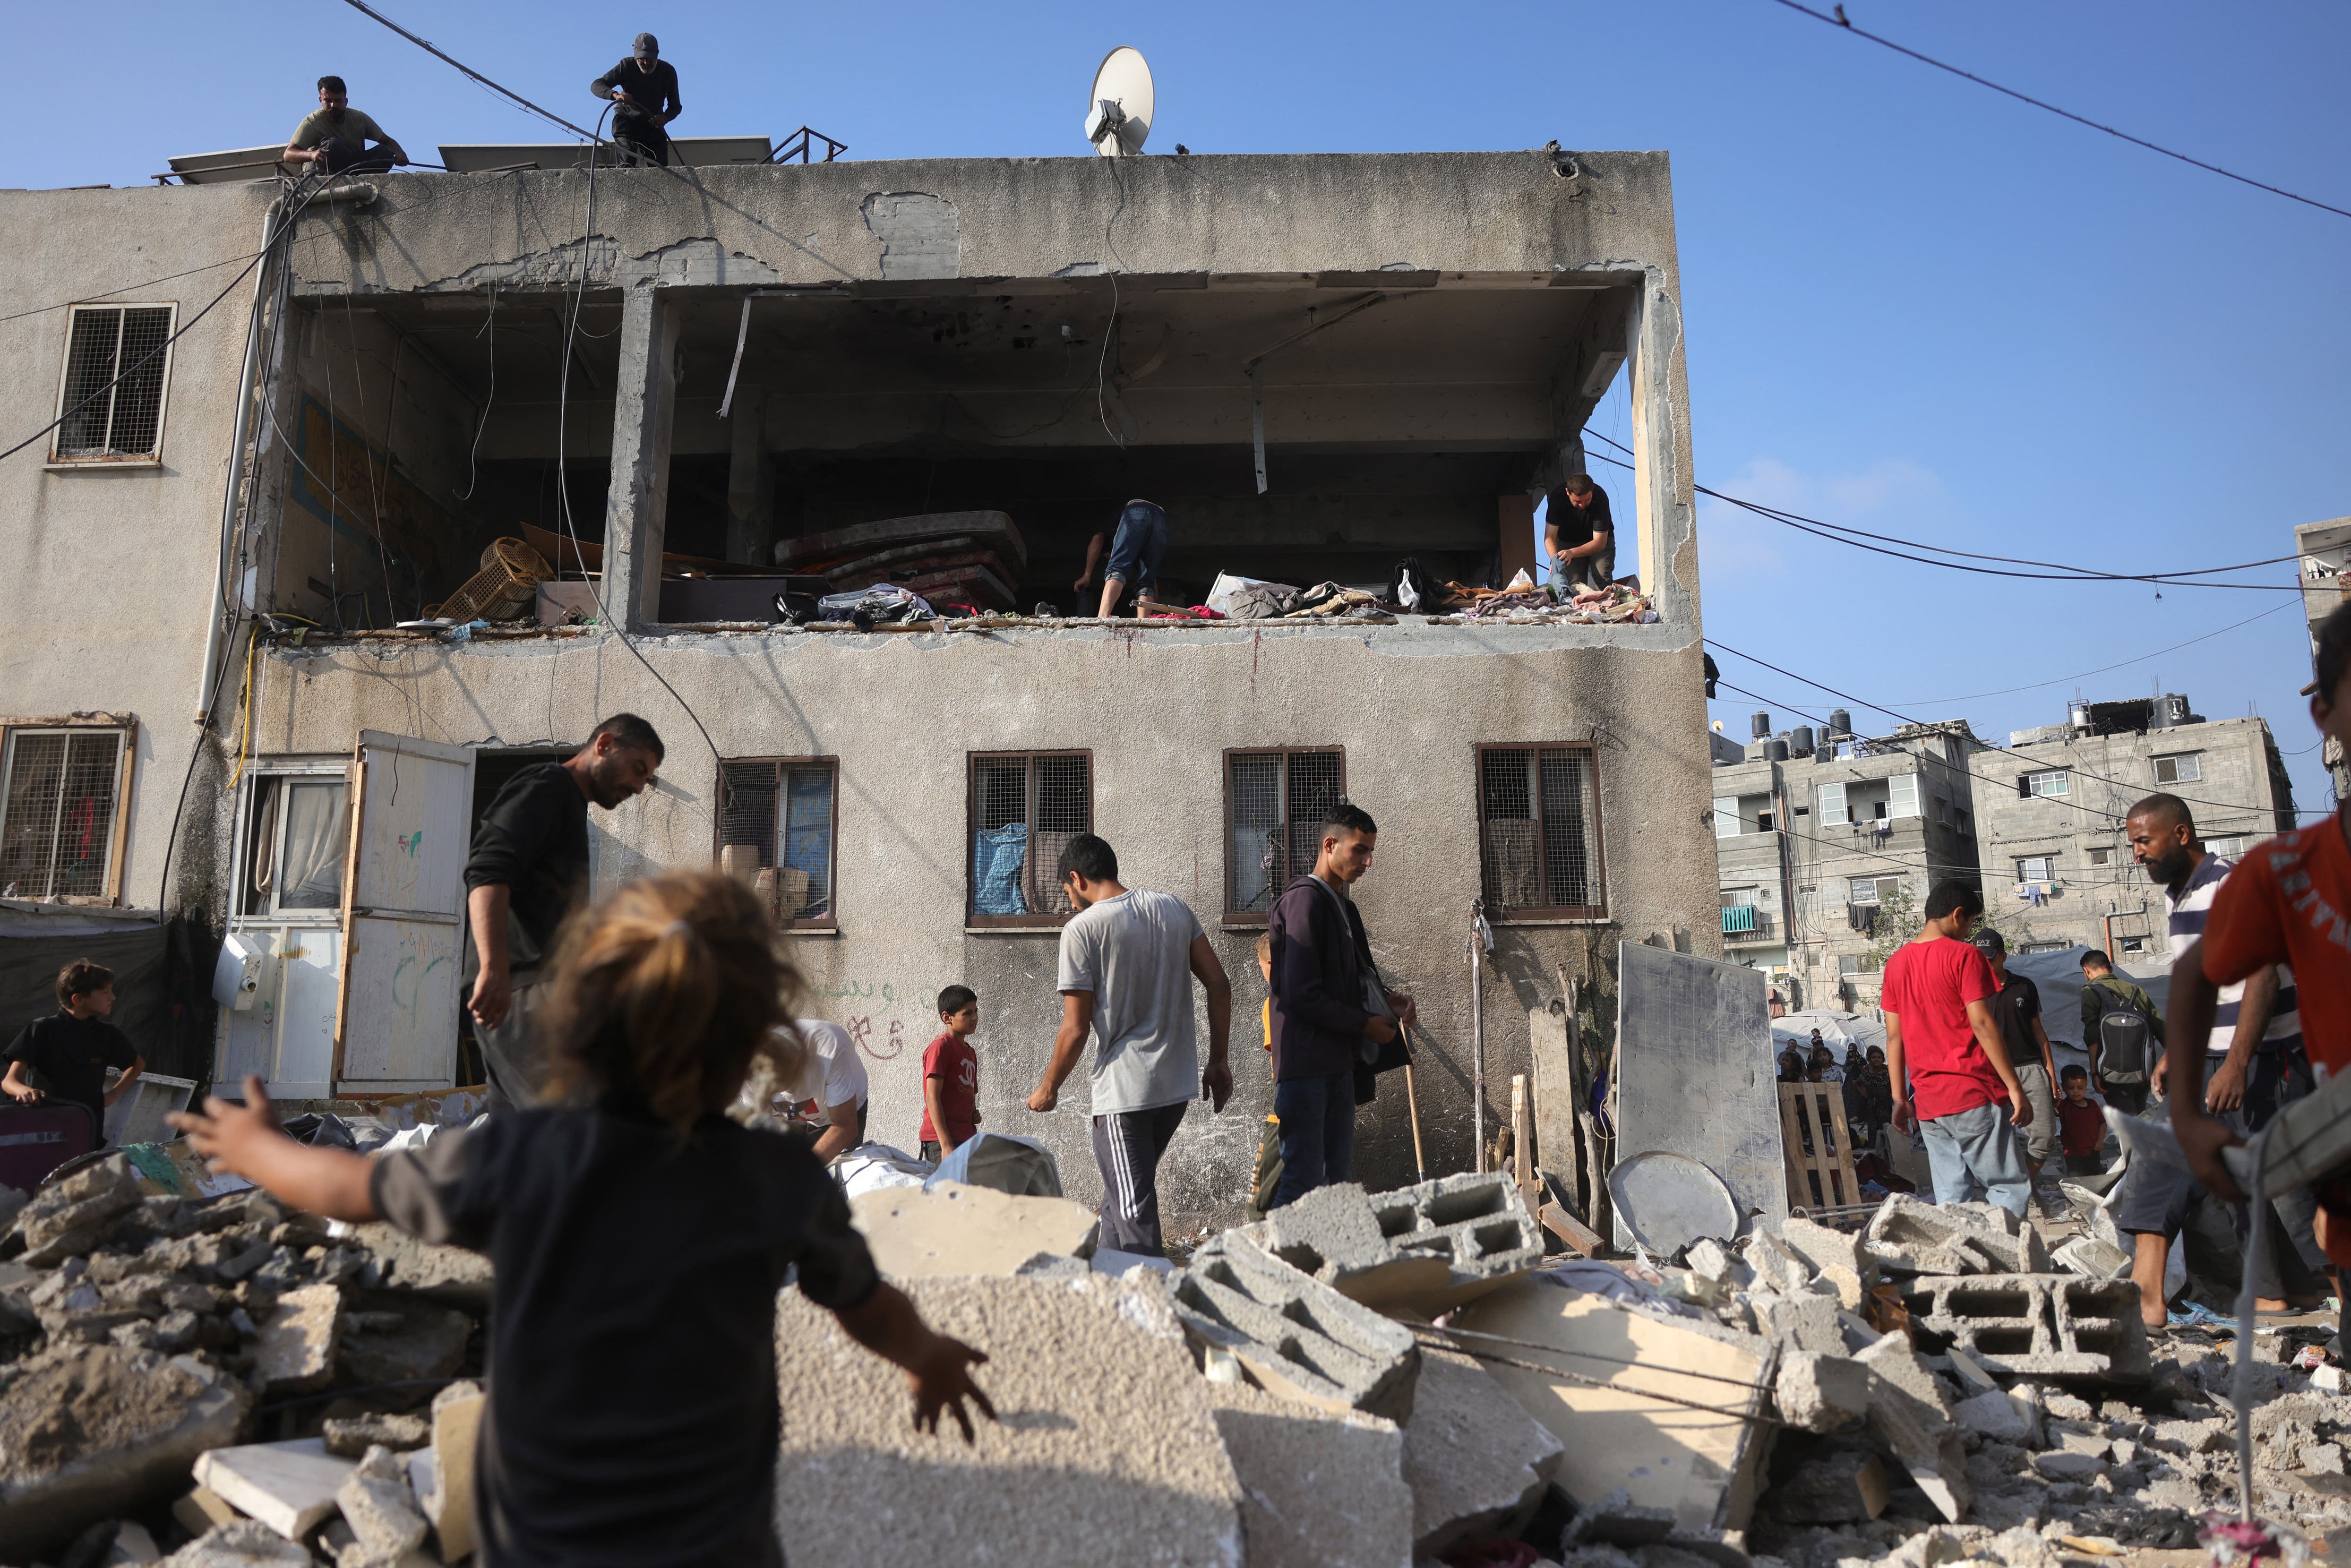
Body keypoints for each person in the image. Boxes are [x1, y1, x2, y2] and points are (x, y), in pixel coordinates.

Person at [169, 870, 994, 1564]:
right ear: (752, 1041)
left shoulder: (520, 1156)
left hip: (542, 1535)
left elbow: (346, 1185)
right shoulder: (776, 1178)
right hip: (712, 1539)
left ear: (579, 1017)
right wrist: (928, 1356)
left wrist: (253, 1146)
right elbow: (865, 1303)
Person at [2162, 604, 2351, 1302]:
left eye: (2146, 840)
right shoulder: (2287, 872)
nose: (2140, 851)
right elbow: (2195, 975)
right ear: (2325, 715)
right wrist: (2186, 1107)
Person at [2131, 791, 2327, 1312]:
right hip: (2218, 1055)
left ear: (2181, 835)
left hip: (2265, 1056)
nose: (2137, 854)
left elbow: (2261, 977)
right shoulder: (2178, 895)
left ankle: (2156, 1291)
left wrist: (2237, 1063)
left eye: (2143, 841)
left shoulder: (2229, 885)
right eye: (2131, 844)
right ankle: (2282, 1294)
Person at [1028, 834, 1232, 1257]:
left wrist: (1048, 1088)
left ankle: (1154, 1311)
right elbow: (1219, 982)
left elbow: (1075, 1028)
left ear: (1076, 878)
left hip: (1125, 1095)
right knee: (1117, 1200)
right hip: (1173, 1089)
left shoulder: (1082, 930)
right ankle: (1107, 1295)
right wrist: (1218, 1060)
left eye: (1068, 893)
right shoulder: (1174, 908)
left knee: (1134, 1213)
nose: (1069, 904)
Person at [465, 715, 664, 1113]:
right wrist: (494, 967)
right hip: (524, 993)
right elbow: (487, 871)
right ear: (604, 744)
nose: (639, 786)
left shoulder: (569, 805)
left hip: (536, 993)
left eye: (647, 779)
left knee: (518, 1140)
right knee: (571, 1133)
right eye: (638, 769)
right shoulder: (547, 787)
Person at [1266, 803, 1416, 1210]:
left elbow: (1345, 981)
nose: (1368, 861)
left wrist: (1388, 1001)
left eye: (1371, 851)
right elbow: (1299, 993)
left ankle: (1325, 1271)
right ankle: (1274, 1268)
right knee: (1302, 1184)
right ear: (1330, 845)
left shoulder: (1343, 907)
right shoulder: (1303, 902)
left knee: (1335, 1186)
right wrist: (1365, 1023)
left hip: (1338, 1065)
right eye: (1359, 850)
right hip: (1306, 1068)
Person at [1883, 880, 2034, 1215]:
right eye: (1969, 924)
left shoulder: (1896, 964)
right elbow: (1982, 1023)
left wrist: (1898, 1099)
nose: (1968, 933)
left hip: (1929, 1103)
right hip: (1972, 1091)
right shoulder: (1965, 956)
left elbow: (1894, 1038)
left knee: (1952, 1199)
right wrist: (2014, 1088)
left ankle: (1964, 1265)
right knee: (2005, 1187)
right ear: (1958, 915)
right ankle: (2010, 1263)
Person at [1973, 928, 2065, 1216]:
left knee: (2044, 1136)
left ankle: (2020, 1187)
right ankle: (2009, 1203)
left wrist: (2050, 1073)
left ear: (2003, 956)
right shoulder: (1972, 992)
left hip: (2029, 1069)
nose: (1986, 965)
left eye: (1990, 959)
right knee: (1997, 1141)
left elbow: (2039, 1033)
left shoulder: (2024, 987)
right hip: (1991, 1074)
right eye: (1981, 960)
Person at [3, 959, 143, 1146]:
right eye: (105, 992)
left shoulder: (108, 1035)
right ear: (78, 999)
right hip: (42, 1135)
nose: (113, 998)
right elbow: (9, 1081)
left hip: (86, 1134)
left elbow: (137, 1064)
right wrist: (25, 1091)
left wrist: (113, 1095)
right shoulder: (42, 1029)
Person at [770, 1018, 870, 1165]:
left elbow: (844, 1127)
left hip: (839, 1115)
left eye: (787, 1084)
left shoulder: (831, 1047)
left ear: (796, 1062)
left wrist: (806, 1171)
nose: (788, 1094)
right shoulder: (745, 1063)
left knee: (832, 1175)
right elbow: (757, 1129)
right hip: (789, 1118)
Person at [2078, 949, 2163, 1115]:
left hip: (2112, 1073)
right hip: (2143, 1070)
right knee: (2140, 1117)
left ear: (2086, 971)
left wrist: (2095, 1073)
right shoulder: (2136, 990)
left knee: (2126, 1125)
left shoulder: (2090, 992)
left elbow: (2092, 1037)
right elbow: (2161, 1028)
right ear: (2111, 969)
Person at [285, 76, 408, 176]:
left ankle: (362, 182)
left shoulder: (358, 118)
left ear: (346, 101)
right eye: (328, 101)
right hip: (322, 171)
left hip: (352, 167)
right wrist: (312, 155)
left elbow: (387, 141)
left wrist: (400, 153)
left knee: (384, 152)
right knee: (333, 145)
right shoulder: (313, 122)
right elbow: (288, 155)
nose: (333, 105)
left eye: (338, 101)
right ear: (321, 101)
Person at [592, 34, 683, 168]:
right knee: (627, 161)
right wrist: (617, 96)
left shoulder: (668, 72)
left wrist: (665, 118)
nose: (646, 63)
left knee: (660, 169)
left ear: (657, 55)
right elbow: (597, 85)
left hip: (652, 124)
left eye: (650, 59)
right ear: (635, 56)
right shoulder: (626, 66)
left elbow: (676, 106)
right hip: (626, 120)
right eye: (642, 59)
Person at [1076, 500, 1172, 619]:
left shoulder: (1111, 540)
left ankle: (1102, 619)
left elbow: (1098, 537)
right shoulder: (1137, 554)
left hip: (1137, 511)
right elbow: (1152, 586)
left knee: (1116, 569)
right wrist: (1153, 593)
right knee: (1147, 583)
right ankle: (1143, 624)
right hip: (1162, 520)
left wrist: (1087, 575)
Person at [1245, 933, 1284, 1223]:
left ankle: (1258, 1247)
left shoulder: (1275, 1003)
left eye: (1262, 968)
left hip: (1287, 1106)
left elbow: (1278, 1059)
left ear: (1270, 963)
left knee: (1259, 1202)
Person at [919, 987, 981, 1162]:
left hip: (967, 1138)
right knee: (948, 1190)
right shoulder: (941, 1047)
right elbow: (932, 1097)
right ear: (947, 1018)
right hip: (942, 1140)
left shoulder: (970, 1052)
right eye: (968, 1013)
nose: (975, 1018)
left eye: (976, 1011)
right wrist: (946, 1145)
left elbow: (966, 1095)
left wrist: (973, 1114)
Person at [1543, 473, 1615, 594]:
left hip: (1598, 540)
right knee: (1575, 585)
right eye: (1577, 501)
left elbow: (1600, 543)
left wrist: (1572, 553)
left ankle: (1607, 607)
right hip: (1569, 541)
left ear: (1592, 492)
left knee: (1602, 579)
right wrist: (1556, 560)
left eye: (1587, 500)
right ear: (1568, 492)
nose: (1582, 505)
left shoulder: (1600, 497)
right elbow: (1550, 537)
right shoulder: (1558, 498)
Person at [2056, 1066, 2108, 1177]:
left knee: (2093, 1180)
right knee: (2078, 1183)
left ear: (2086, 1086)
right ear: (2063, 1088)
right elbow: (2051, 1109)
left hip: (2093, 1151)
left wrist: (2100, 1141)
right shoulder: (2064, 1106)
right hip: (2073, 1154)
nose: (2076, 1092)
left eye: (2080, 1088)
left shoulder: (2092, 1105)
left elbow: (2102, 1123)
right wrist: (2057, 1098)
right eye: (2071, 1088)